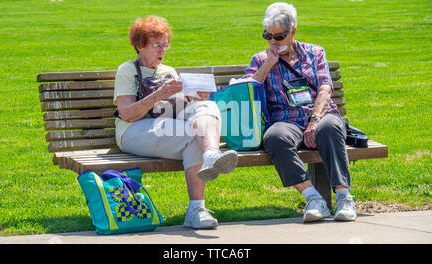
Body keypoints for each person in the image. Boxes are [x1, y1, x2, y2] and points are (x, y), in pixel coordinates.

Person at [113, 16, 238, 229]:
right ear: (139, 46)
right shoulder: (127, 71)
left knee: (208, 108)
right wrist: (157, 95)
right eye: (156, 46)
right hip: (133, 131)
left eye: (165, 45)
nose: (162, 51)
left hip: (165, 126)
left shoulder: (168, 72)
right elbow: (126, 114)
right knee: (192, 135)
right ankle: (196, 210)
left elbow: (177, 111)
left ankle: (210, 156)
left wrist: (194, 99)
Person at [245, 2, 356, 222]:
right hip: (286, 120)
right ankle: (313, 198)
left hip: (319, 115)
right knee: (274, 137)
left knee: (331, 127)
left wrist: (314, 121)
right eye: (267, 36)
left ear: (293, 31)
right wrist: (268, 64)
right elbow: (248, 90)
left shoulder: (315, 53)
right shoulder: (260, 59)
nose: (273, 42)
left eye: (279, 37)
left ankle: (344, 197)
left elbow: (325, 89)